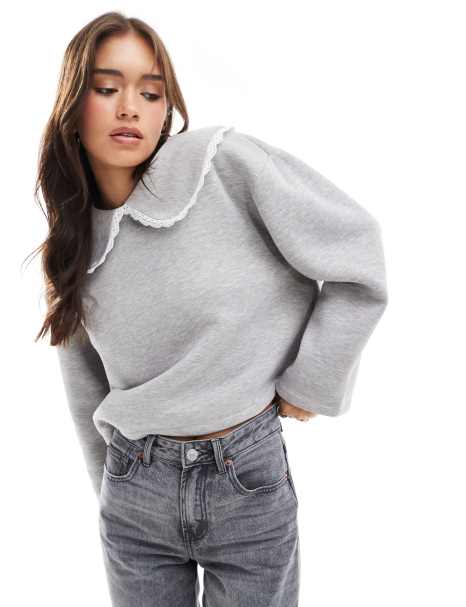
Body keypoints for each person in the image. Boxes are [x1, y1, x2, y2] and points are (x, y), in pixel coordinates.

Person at [33, 11, 388, 607]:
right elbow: (84, 391)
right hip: (133, 491)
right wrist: (110, 493)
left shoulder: (221, 165)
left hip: (244, 477)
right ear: (73, 103)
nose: (130, 108)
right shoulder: (70, 245)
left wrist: (313, 379)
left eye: (151, 92)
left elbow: (357, 253)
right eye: (107, 87)